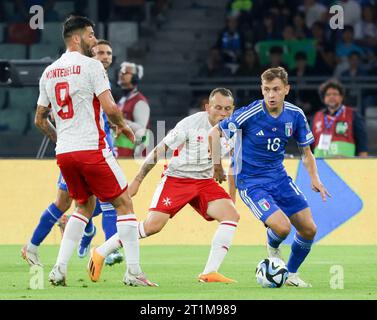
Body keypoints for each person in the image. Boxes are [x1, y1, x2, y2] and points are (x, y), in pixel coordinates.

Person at [34, 15, 156, 287]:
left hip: (65, 154)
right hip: (93, 149)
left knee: (84, 205)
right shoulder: (91, 66)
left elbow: (40, 119)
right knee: (124, 203)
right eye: (90, 35)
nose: (93, 40)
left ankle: (58, 269)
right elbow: (111, 108)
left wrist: (60, 140)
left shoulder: (49, 72)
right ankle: (134, 271)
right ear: (76, 38)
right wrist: (123, 127)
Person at [87, 88, 240, 283]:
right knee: (152, 226)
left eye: (227, 109)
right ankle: (100, 252)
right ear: (207, 107)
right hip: (177, 179)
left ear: (233, 109)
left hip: (204, 182)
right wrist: (137, 180)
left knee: (231, 215)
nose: (223, 113)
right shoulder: (190, 124)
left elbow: (235, 164)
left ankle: (209, 272)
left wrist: (232, 198)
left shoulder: (234, 130)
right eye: (218, 108)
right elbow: (159, 151)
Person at [209, 67, 330, 287]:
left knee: (309, 229)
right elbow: (214, 132)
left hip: (280, 179)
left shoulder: (295, 115)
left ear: (286, 89)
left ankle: (291, 274)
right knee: (282, 228)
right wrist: (217, 166)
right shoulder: (251, 113)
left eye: (276, 89)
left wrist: (315, 178)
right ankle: (273, 247)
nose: (271, 95)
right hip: (251, 183)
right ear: (261, 90)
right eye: (266, 89)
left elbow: (307, 152)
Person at [21, 39, 123, 267]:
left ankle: (106, 249)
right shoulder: (83, 78)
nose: (105, 57)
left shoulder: (97, 80)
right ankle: (42, 243)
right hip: (82, 150)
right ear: (88, 56)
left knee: (105, 201)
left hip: (98, 150)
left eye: (108, 53)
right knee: (65, 203)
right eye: (99, 53)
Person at [312, 79, 368, 157]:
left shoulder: (352, 114)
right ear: (324, 99)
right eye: (328, 94)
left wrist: (363, 162)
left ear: (341, 97)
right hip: (321, 165)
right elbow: (310, 144)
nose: (331, 97)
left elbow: (362, 142)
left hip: (345, 164)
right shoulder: (317, 117)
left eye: (335, 94)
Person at [115, 61, 151, 158]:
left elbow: (141, 131)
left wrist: (119, 121)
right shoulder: (123, 100)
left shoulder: (140, 102)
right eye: (120, 72)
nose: (121, 74)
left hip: (132, 156)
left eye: (126, 72)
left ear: (135, 77)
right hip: (121, 153)